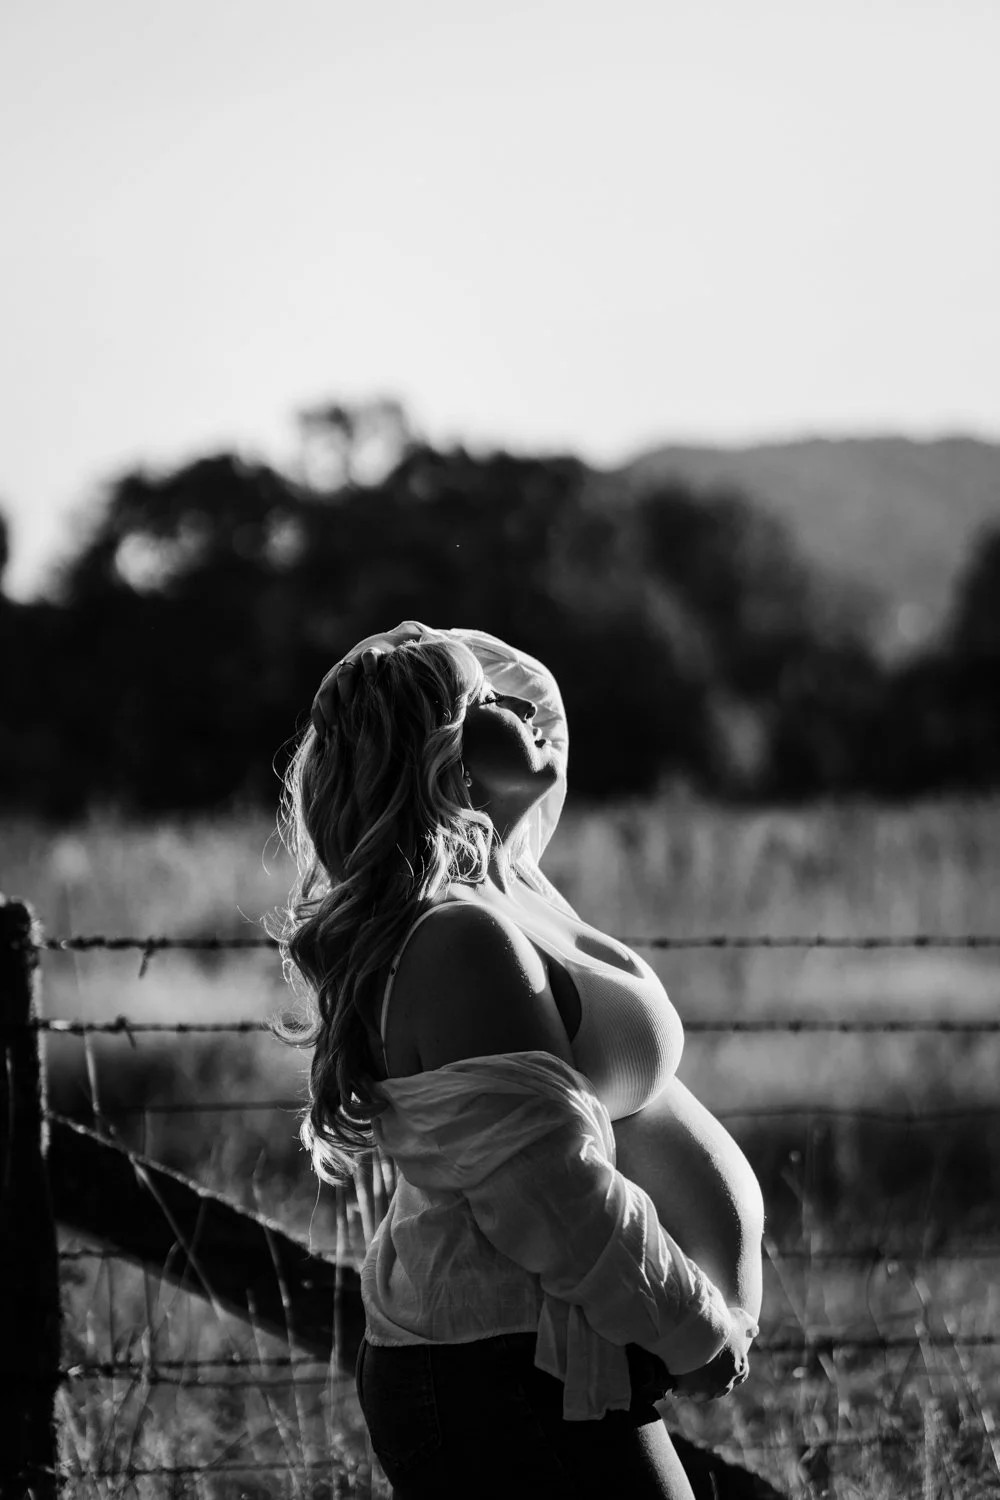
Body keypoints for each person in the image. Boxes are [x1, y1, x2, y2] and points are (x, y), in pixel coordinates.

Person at [275, 621, 764, 1499]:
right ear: (441, 745)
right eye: (484, 700)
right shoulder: (459, 939)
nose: (521, 708)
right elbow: (550, 1192)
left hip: (547, 1358)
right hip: (499, 1376)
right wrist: (695, 1328)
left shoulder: (512, 894)